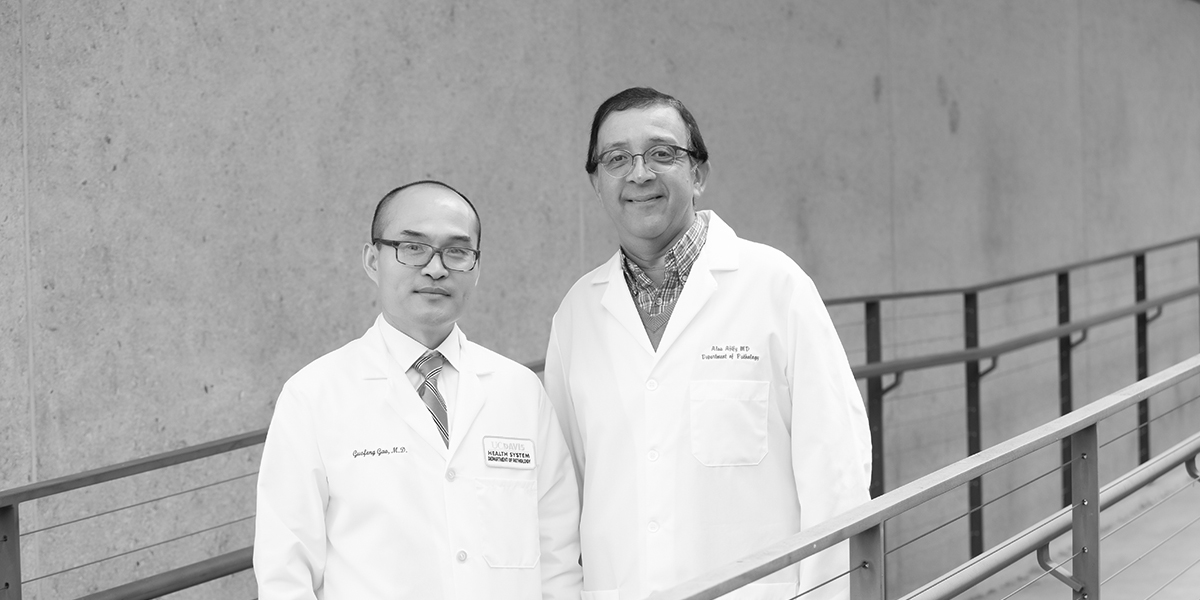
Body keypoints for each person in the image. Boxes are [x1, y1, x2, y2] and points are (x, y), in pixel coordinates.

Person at [543, 88, 872, 600]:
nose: (639, 174)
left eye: (662, 153)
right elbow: (563, 490)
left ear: (698, 174)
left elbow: (836, 472)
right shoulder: (576, 314)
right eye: (616, 159)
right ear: (596, 182)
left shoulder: (775, 286)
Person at [254, 180, 582, 599]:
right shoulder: (313, 395)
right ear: (373, 261)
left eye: (457, 251)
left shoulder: (520, 391)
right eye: (412, 248)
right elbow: (286, 570)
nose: (435, 268)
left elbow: (558, 557)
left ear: (477, 268)